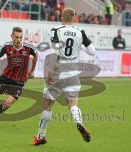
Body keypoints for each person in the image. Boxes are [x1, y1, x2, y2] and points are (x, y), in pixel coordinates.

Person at [31, 7, 96, 145]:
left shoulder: (56, 30)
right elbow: (92, 52)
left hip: (58, 70)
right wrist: (80, 46)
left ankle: (40, 136)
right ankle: (79, 122)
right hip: (73, 72)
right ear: (73, 18)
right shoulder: (80, 32)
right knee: (72, 104)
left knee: (47, 104)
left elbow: (55, 46)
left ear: (62, 17)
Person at [0, 27, 38, 119]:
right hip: (5, 77)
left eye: (21, 37)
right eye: (16, 37)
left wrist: (32, 71)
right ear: (12, 36)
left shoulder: (29, 48)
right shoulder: (6, 46)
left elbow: (36, 56)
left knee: (8, 103)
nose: (19, 40)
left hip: (19, 81)